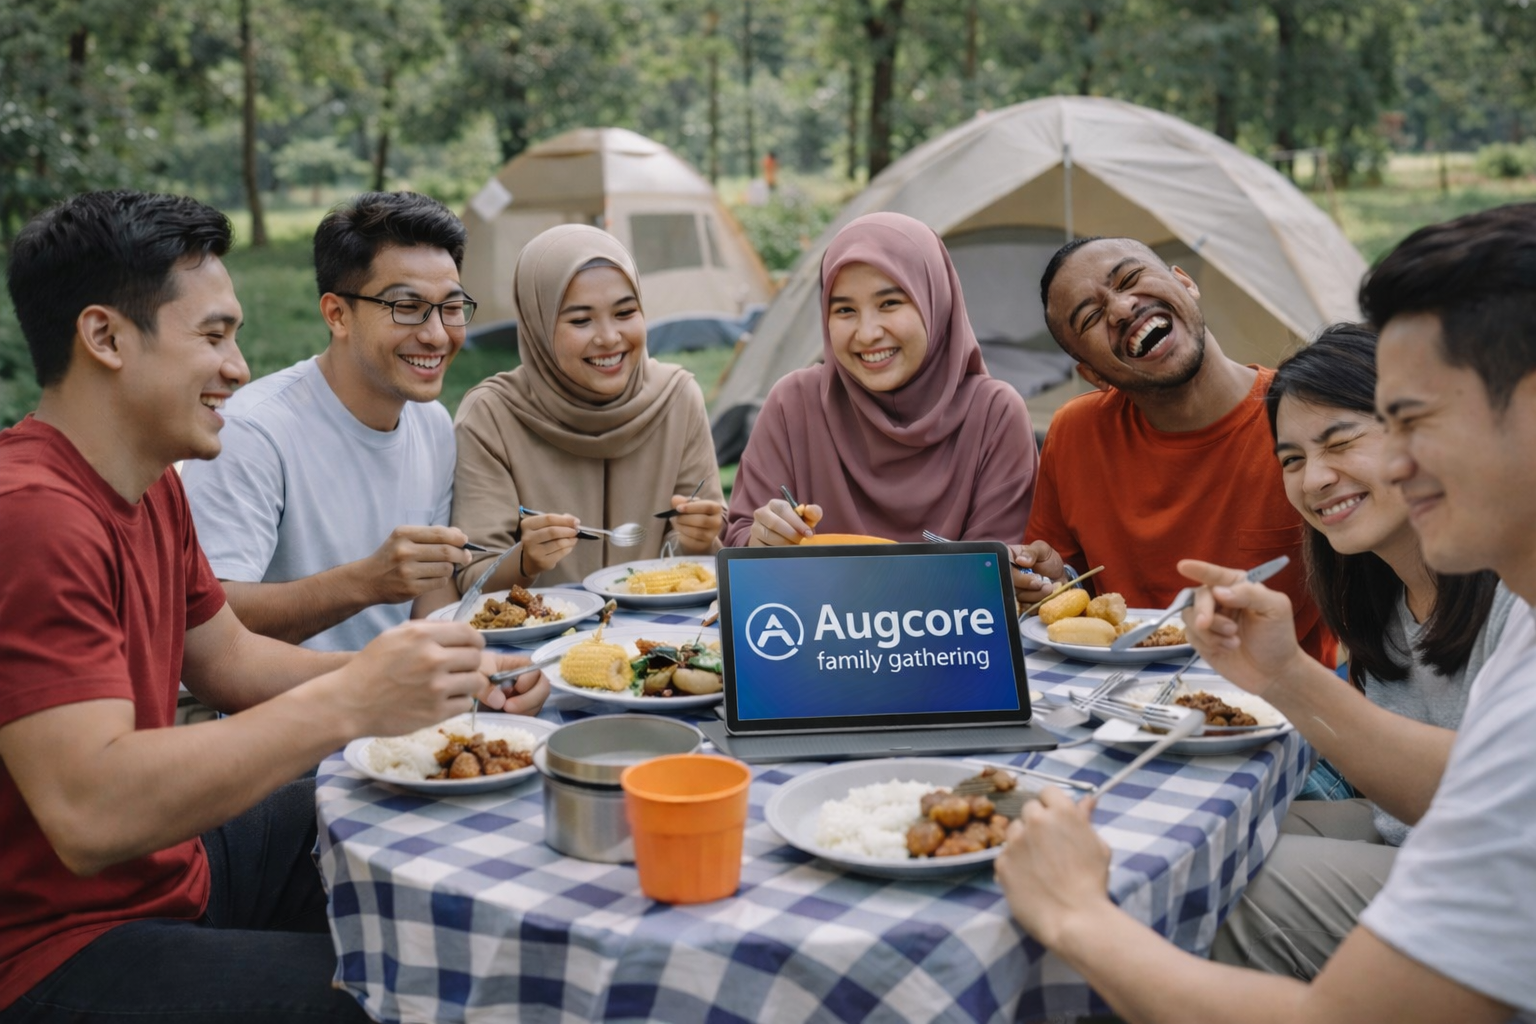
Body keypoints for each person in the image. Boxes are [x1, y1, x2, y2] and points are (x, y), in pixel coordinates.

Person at [0, 190, 547, 1023]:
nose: (239, 367)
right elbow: (91, 811)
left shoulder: (148, 485)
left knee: (407, 798)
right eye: (214, 336)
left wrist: (437, 686)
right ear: (105, 336)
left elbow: (229, 660)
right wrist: (353, 699)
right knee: (402, 1000)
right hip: (56, 945)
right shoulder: (34, 515)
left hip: (170, 864)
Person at [994, 203, 1536, 1023]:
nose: (1327, 477)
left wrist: (1074, 913)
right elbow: (1464, 788)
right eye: (1292, 459)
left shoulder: (1504, 605)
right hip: (1377, 820)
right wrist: (1281, 671)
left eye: (1414, 420)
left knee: (1195, 886)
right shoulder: (1381, 586)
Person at [1018, 236, 1333, 663]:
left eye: (1130, 278)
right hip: (1117, 693)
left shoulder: (1300, 419)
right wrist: (1056, 580)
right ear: (1092, 374)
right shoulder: (1076, 433)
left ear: (1184, 283)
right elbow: (1071, 593)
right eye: (1091, 316)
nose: (1123, 308)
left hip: (1280, 702)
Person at [181, 191, 472, 651]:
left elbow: (429, 596)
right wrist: (364, 583)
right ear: (337, 314)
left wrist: (474, 669)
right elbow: (206, 619)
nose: (436, 334)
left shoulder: (433, 424)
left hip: (404, 707)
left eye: (451, 308)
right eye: (407, 307)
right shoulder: (252, 432)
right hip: (285, 714)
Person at [1264, 323, 1513, 848]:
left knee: (1240, 890)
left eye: (1341, 441)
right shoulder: (1383, 601)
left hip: (1497, 879)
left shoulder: (1515, 588)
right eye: (1292, 460)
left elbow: (1503, 801)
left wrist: (1285, 676)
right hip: (1415, 839)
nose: (1314, 480)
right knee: (1224, 839)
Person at [723, 212, 1037, 555]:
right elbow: (740, 544)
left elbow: (1001, 574)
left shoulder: (995, 415)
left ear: (935, 302)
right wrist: (763, 537)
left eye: (889, 303)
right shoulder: (794, 404)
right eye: (844, 310)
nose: (868, 333)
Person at [452, 224, 725, 591]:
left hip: (662, 636)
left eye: (625, 313)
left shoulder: (677, 397)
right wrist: (525, 560)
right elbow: (473, 577)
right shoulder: (491, 415)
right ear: (537, 325)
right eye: (581, 320)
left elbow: (699, 563)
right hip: (537, 640)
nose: (609, 338)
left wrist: (699, 539)